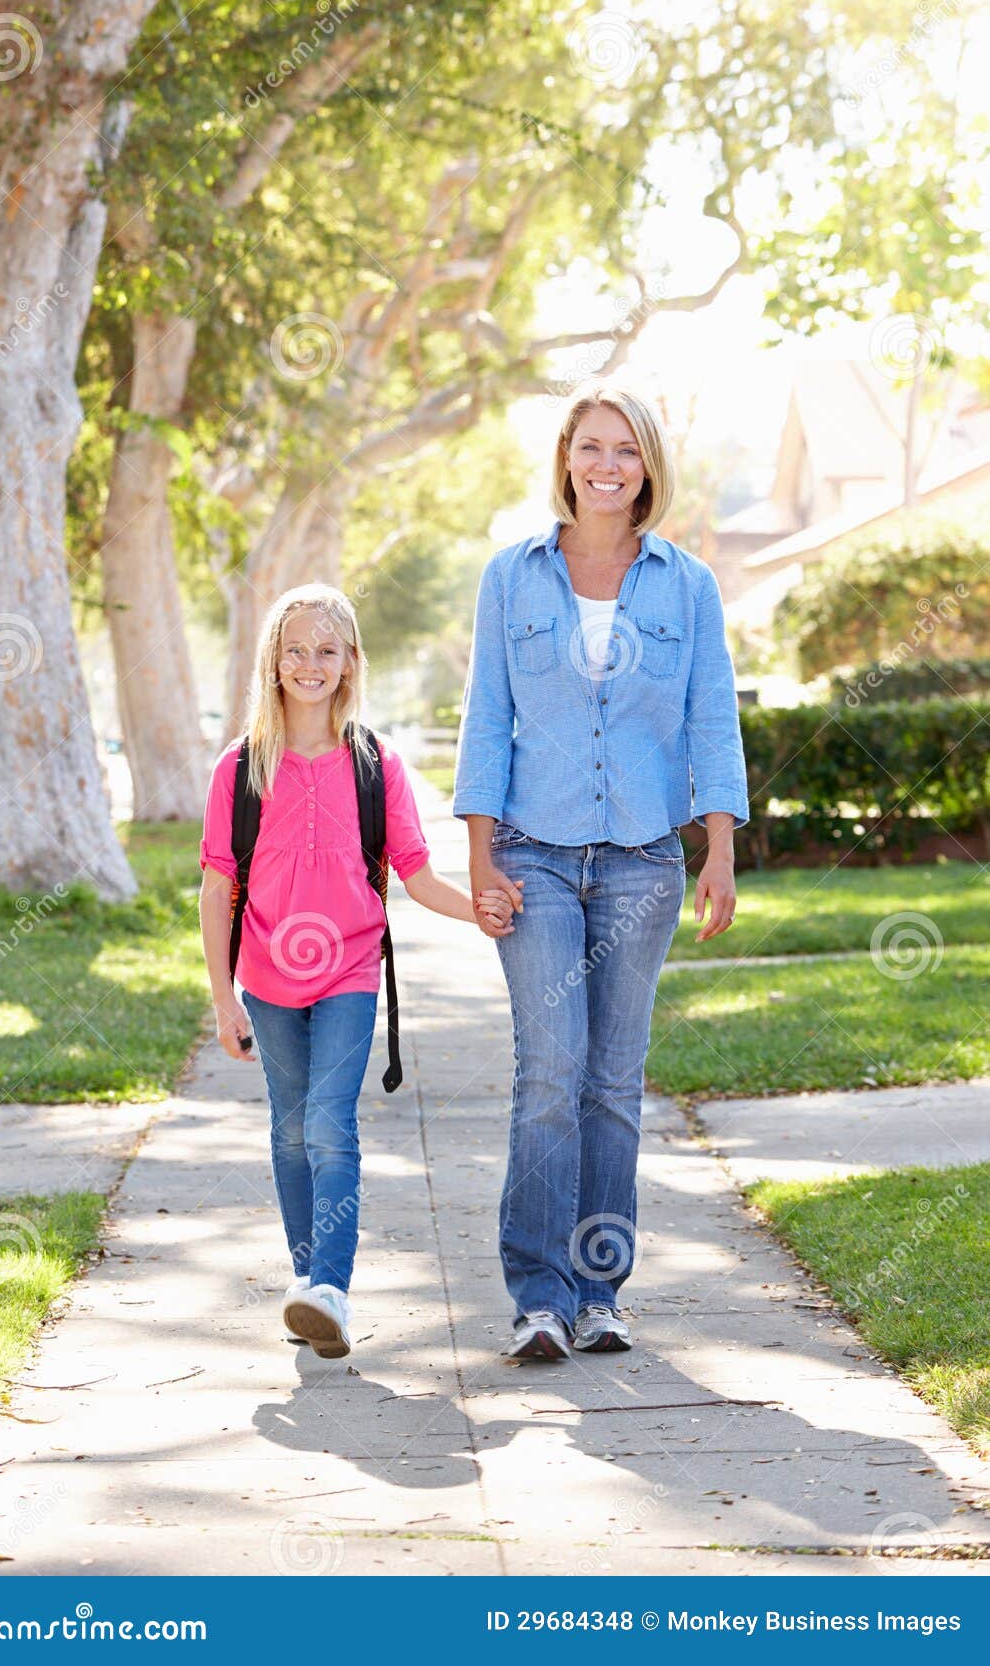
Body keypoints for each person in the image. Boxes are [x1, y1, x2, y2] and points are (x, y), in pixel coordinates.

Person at [453, 383, 749, 1361]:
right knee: (549, 1071)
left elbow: (711, 718)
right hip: (531, 856)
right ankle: (536, 1292)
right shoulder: (511, 576)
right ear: (566, 460)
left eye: (625, 449)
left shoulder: (685, 584)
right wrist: (478, 855)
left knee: (613, 1084)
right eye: (591, 447)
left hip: (641, 862)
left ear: (646, 465)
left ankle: (599, 1290)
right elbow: (485, 717)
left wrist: (717, 847)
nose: (607, 464)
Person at [199, 583, 512, 1360]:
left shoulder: (376, 765)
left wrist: (480, 908)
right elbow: (216, 887)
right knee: (288, 1128)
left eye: (326, 651)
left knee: (328, 1125)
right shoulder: (239, 769)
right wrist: (220, 999)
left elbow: (415, 872)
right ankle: (310, 1284)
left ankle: (329, 1286)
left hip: (348, 971)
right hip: (265, 977)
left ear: (349, 664)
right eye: (296, 649)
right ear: (274, 662)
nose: (310, 664)